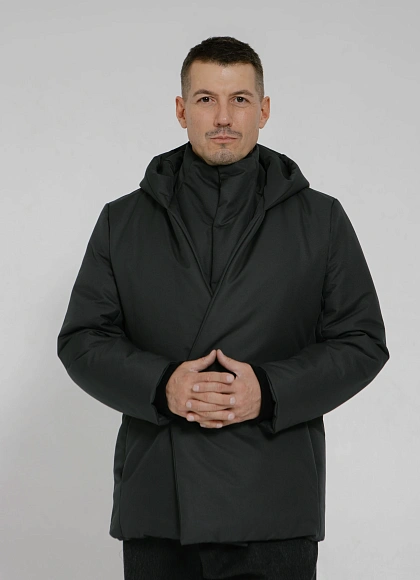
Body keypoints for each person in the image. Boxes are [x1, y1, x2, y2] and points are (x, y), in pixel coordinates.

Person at [57, 36, 390, 580]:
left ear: (264, 109)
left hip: (274, 504)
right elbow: (81, 340)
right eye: (206, 99)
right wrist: (163, 386)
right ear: (181, 110)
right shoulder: (123, 221)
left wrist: (269, 390)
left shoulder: (321, 220)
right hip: (160, 504)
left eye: (239, 99)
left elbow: (362, 342)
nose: (223, 118)